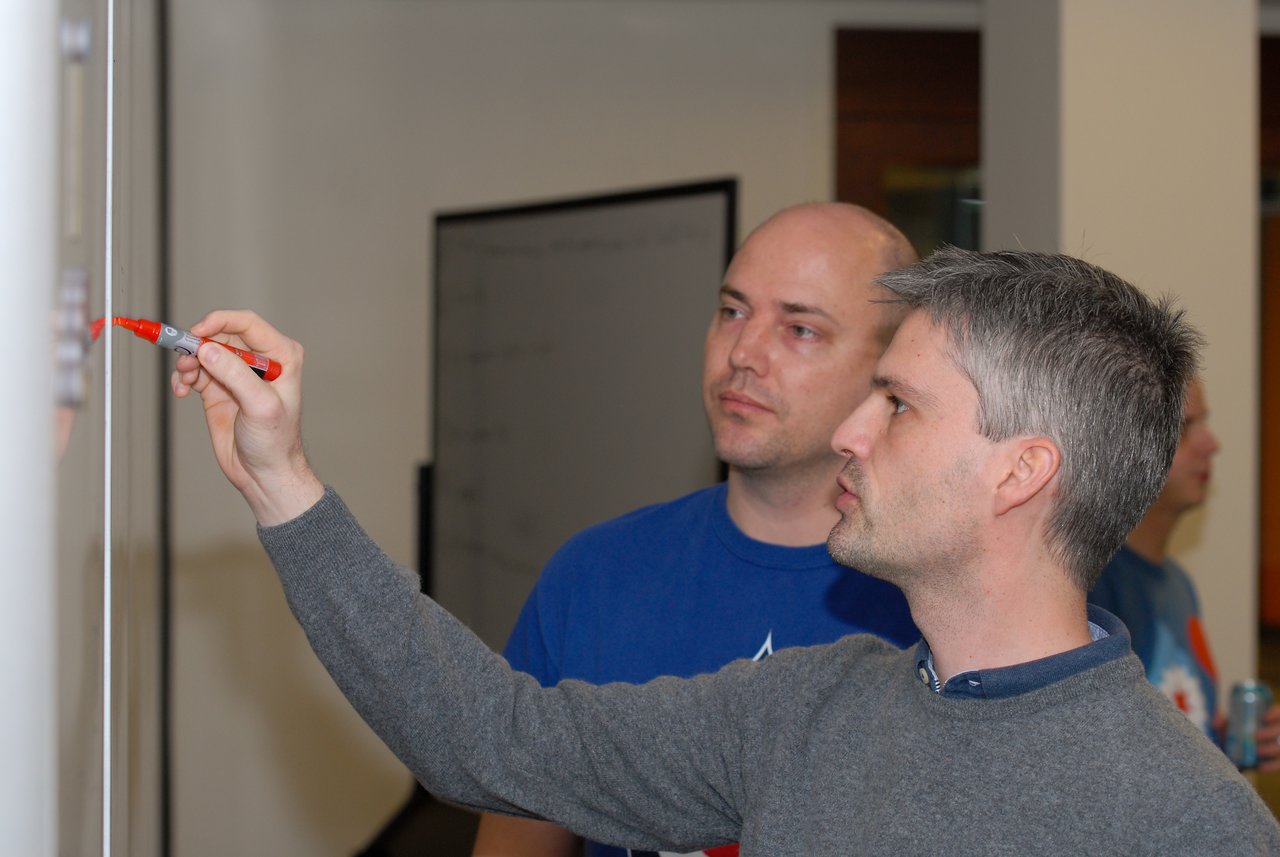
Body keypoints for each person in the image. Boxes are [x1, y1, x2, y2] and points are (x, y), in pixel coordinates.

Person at [171, 247, 1280, 855]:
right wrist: (283, 481)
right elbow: (488, 737)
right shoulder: (804, 708)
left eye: (895, 404)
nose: (850, 429)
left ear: (1018, 471)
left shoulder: (1181, 818)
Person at [473, 203, 921, 857]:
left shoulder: (937, 605)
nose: (743, 354)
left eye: (799, 329)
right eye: (732, 311)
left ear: (889, 376)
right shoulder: (594, 577)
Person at [1091, 378, 1280, 770]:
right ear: (1125, 449)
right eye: (1184, 428)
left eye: (1203, 423)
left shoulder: (1178, 586)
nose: (1212, 444)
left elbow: (1180, 737)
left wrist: (1237, 743)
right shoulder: (1088, 586)